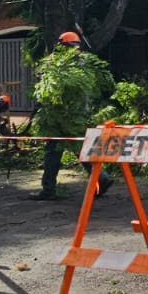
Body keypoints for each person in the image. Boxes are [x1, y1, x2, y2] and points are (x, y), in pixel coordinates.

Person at [31, 30, 113, 200]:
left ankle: (48, 190)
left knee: (52, 153)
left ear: (63, 45)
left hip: (59, 115)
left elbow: (50, 90)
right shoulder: (85, 62)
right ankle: (102, 178)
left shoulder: (59, 64)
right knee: (81, 149)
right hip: (80, 114)